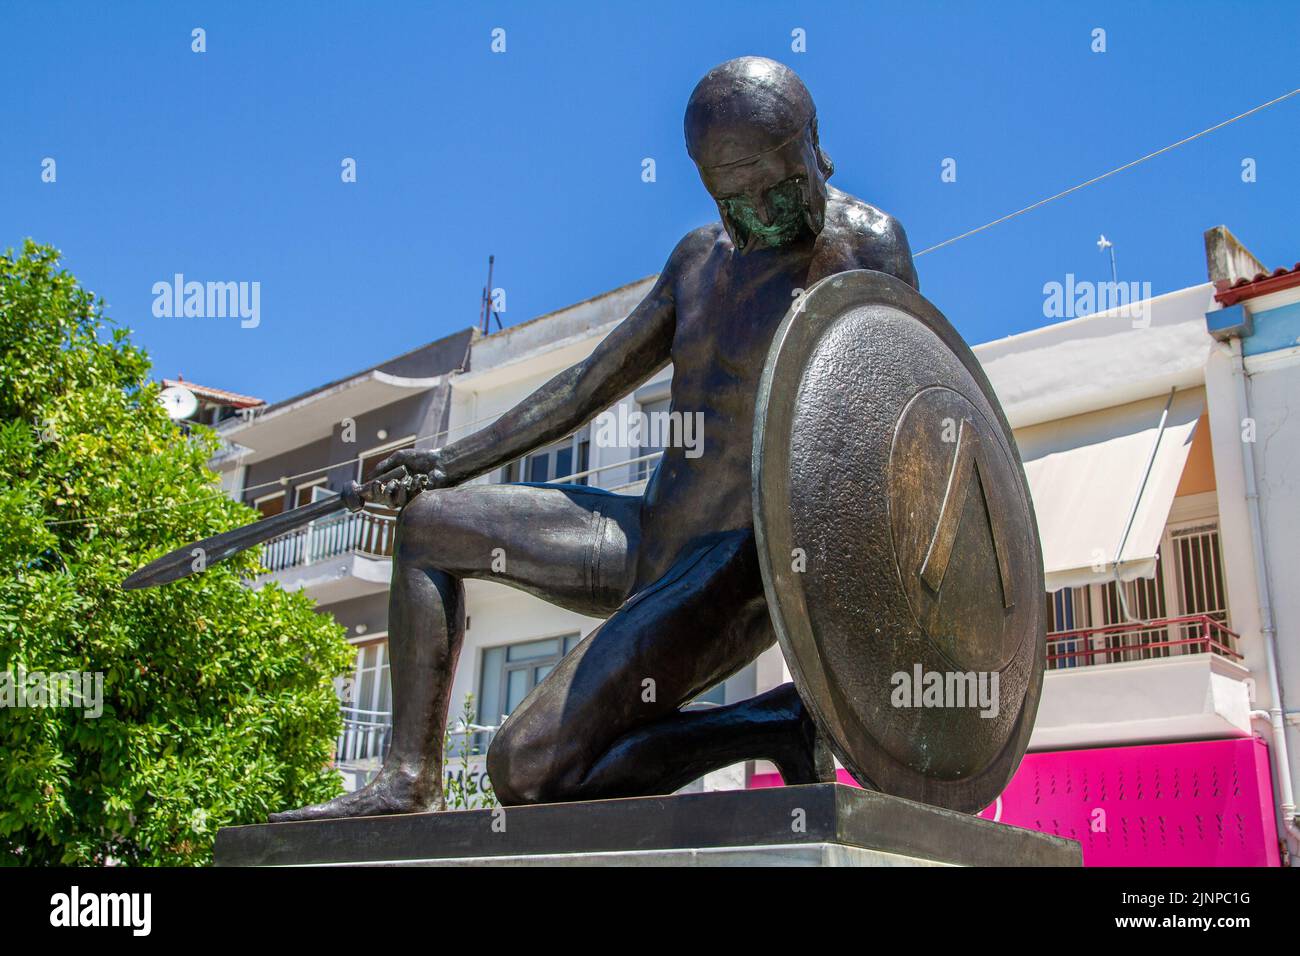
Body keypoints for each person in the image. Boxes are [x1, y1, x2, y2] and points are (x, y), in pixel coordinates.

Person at [272, 55, 918, 821]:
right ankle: (409, 777)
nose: (761, 217)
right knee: (427, 526)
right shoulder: (695, 260)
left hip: (735, 572)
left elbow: (894, 443)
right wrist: (446, 462)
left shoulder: (868, 248)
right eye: (735, 202)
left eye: (779, 190)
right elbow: (585, 385)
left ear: (817, 148)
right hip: (648, 539)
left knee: (523, 769)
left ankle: (764, 720)